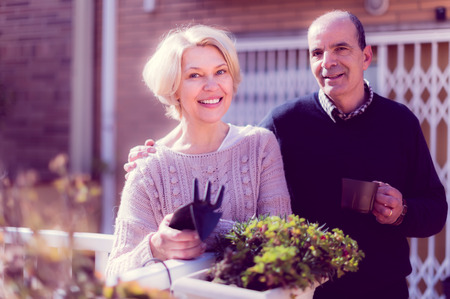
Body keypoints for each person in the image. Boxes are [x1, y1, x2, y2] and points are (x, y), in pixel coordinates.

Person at [125, 11, 448, 299]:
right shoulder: (286, 122)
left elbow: (435, 210)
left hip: (383, 290)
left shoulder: (399, 122)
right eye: (317, 52)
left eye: (341, 48)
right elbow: (221, 147)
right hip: (305, 290)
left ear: (366, 56)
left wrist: (401, 210)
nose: (328, 61)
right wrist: (156, 152)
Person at [105, 24, 292, 280]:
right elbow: (114, 272)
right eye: (195, 75)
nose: (212, 85)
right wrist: (155, 247)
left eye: (220, 72)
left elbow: (282, 243)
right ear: (174, 88)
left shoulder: (260, 146)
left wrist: (209, 231)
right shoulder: (149, 167)